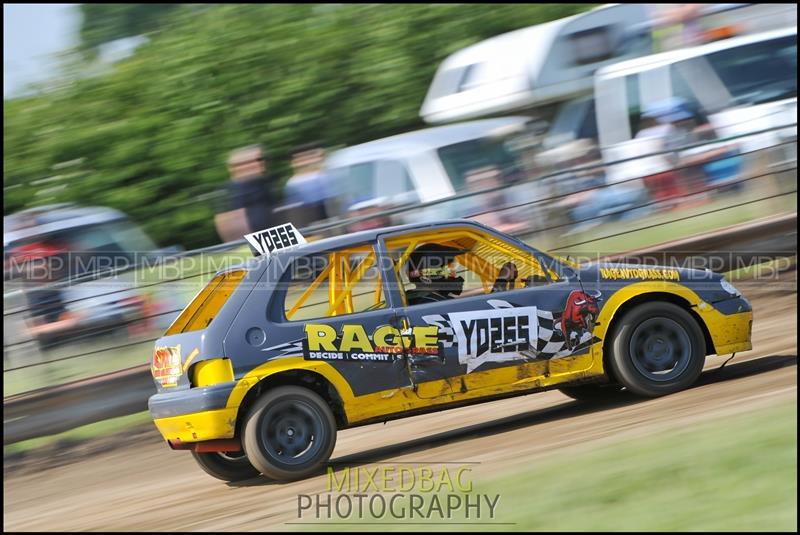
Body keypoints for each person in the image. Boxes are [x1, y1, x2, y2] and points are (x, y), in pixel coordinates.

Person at [214, 145, 280, 242]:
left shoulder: (266, 183)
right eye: (246, 163)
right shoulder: (228, 193)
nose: (258, 164)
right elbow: (227, 226)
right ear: (232, 168)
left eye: (260, 159)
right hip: (255, 244)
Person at [280, 142, 336, 228]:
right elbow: (294, 210)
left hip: (332, 217)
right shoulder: (292, 183)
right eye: (301, 158)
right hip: (309, 222)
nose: (306, 161)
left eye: (309, 157)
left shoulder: (325, 175)